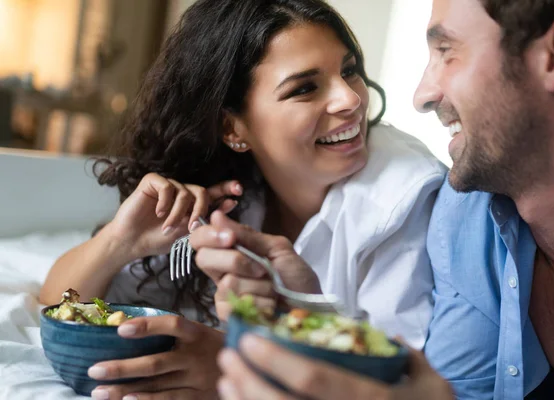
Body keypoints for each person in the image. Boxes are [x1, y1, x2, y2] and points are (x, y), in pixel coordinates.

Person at [38, 0, 446, 399]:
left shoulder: (404, 195)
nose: (350, 99)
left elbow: (396, 378)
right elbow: (55, 301)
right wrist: (118, 242)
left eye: (349, 71)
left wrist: (232, 360)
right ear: (232, 126)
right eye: (305, 88)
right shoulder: (225, 193)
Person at [215, 0, 554, 399]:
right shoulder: (468, 218)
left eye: (447, 52)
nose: (422, 95)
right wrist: (306, 313)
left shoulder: (410, 191)